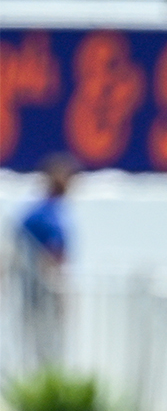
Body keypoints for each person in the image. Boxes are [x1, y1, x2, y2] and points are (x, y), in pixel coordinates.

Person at [13, 152, 78, 369]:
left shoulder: (37, 214)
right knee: (46, 347)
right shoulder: (48, 216)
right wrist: (60, 292)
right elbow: (53, 257)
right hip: (41, 292)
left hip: (30, 290)